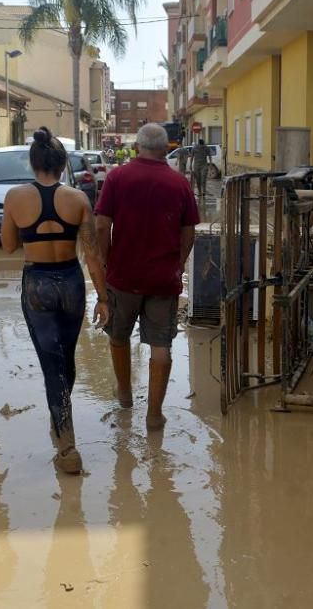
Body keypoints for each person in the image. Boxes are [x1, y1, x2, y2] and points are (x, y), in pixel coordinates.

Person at [0, 126, 108, 474]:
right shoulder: (78, 199)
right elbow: (92, 256)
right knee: (64, 359)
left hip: (38, 284)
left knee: (52, 364)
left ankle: (67, 447)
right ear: (63, 166)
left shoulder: (16, 197)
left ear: (33, 164)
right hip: (72, 284)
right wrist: (103, 298)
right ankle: (59, 413)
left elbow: (9, 245)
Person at [96, 123, 199, 431]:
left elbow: (101, 225)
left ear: (138, 146)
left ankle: (125, 395)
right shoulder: (179, 183)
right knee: (160, 345)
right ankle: (154, 414)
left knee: (118, 335)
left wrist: (107, 259)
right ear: (166, 148)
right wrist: (178, 265)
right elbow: (189, 230)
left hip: (123, 275)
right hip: (163, 279)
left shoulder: (117, 177)